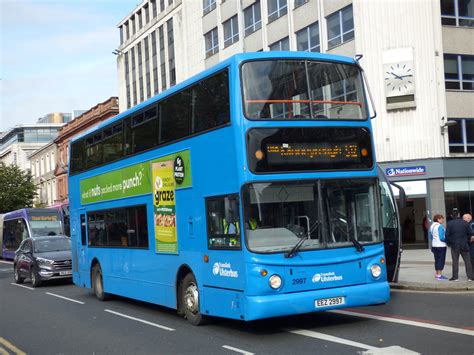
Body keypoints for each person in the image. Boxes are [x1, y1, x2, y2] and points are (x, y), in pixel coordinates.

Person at [445, 212, 474, 282]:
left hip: (454, 245)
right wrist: (467, 241)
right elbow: (470, 233)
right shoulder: (465, 223)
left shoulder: (449, 223)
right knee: (467, 261)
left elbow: (447, 235)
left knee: (455, 261)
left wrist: (449, 243)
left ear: (452, 216)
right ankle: (470, 277)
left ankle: (455, 277)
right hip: (464, 244)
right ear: (459, 216)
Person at [429, 214, 448, 280]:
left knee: (436, 260)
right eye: (442, 219)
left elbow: (431, 237)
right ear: (438, 219)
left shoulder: (431, 226)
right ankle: (440, 275)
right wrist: (447, 240)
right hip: (441, 245)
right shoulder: (440, 226)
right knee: (441, 260)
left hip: (434, 245)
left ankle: (437, 274)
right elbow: (442, 238)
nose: (443, 220)